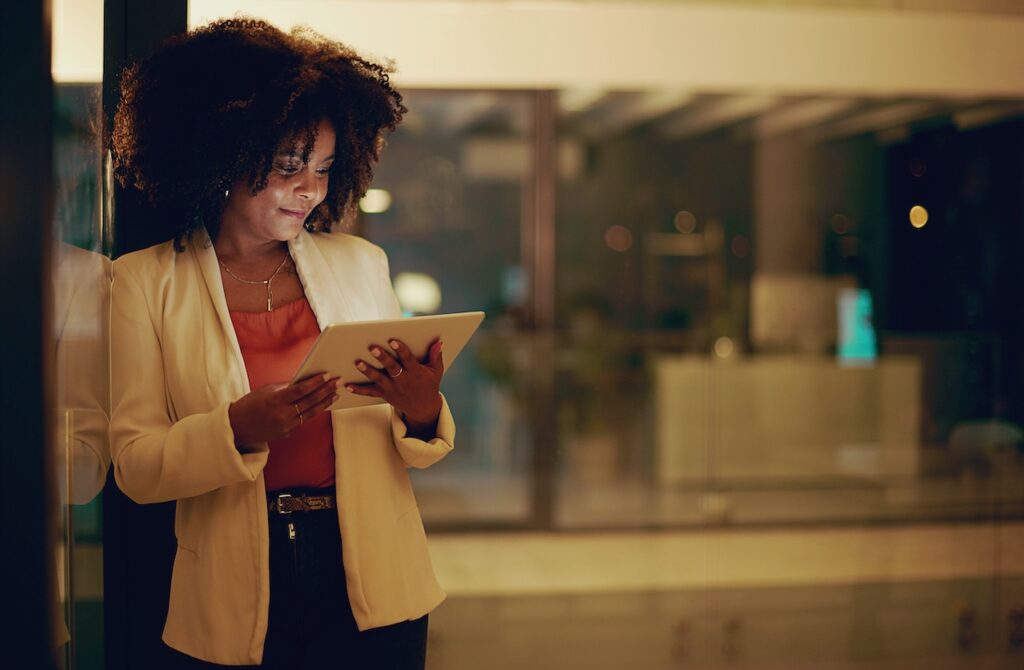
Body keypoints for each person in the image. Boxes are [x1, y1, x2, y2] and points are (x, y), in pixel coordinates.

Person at [108, 18, 455, 668]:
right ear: (221, 157)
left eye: (324, 168)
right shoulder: (141, 284)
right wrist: (235, 428)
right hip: (235, 577)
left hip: (376, 578)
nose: (312, 189)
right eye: (290, 166)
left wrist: (421, 406)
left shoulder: (359, 265)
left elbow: (407, 447)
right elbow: (135, 467)